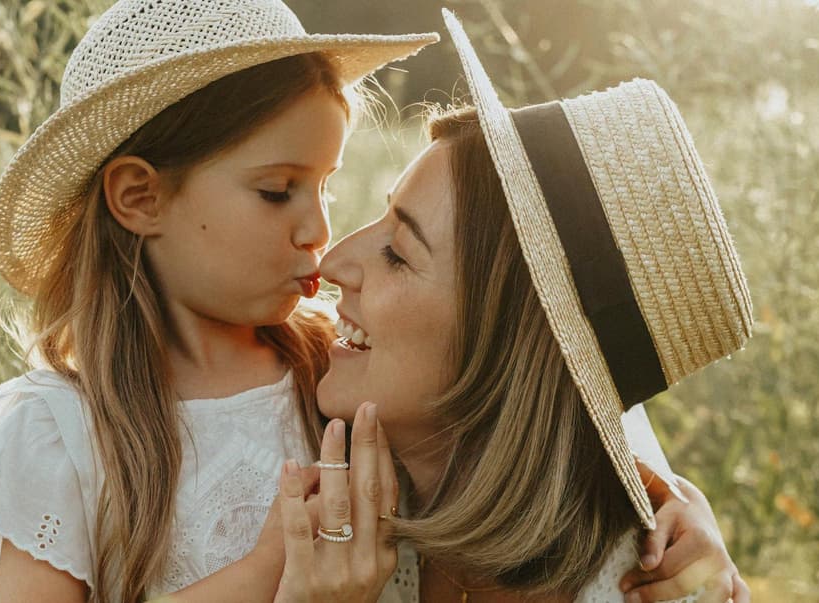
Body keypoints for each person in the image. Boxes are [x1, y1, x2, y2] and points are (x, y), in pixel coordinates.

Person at [0, 0, 438, 600]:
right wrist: (264, 577)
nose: (319, 229)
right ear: (141, 197)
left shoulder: (341, 372)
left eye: (324, 185)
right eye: (277, 191)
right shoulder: (61, 430)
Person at [274, 10, 752, 603]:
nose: (333, 261)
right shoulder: (315, 461)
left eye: (398, 253)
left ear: (506, 347)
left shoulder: (646, 588)